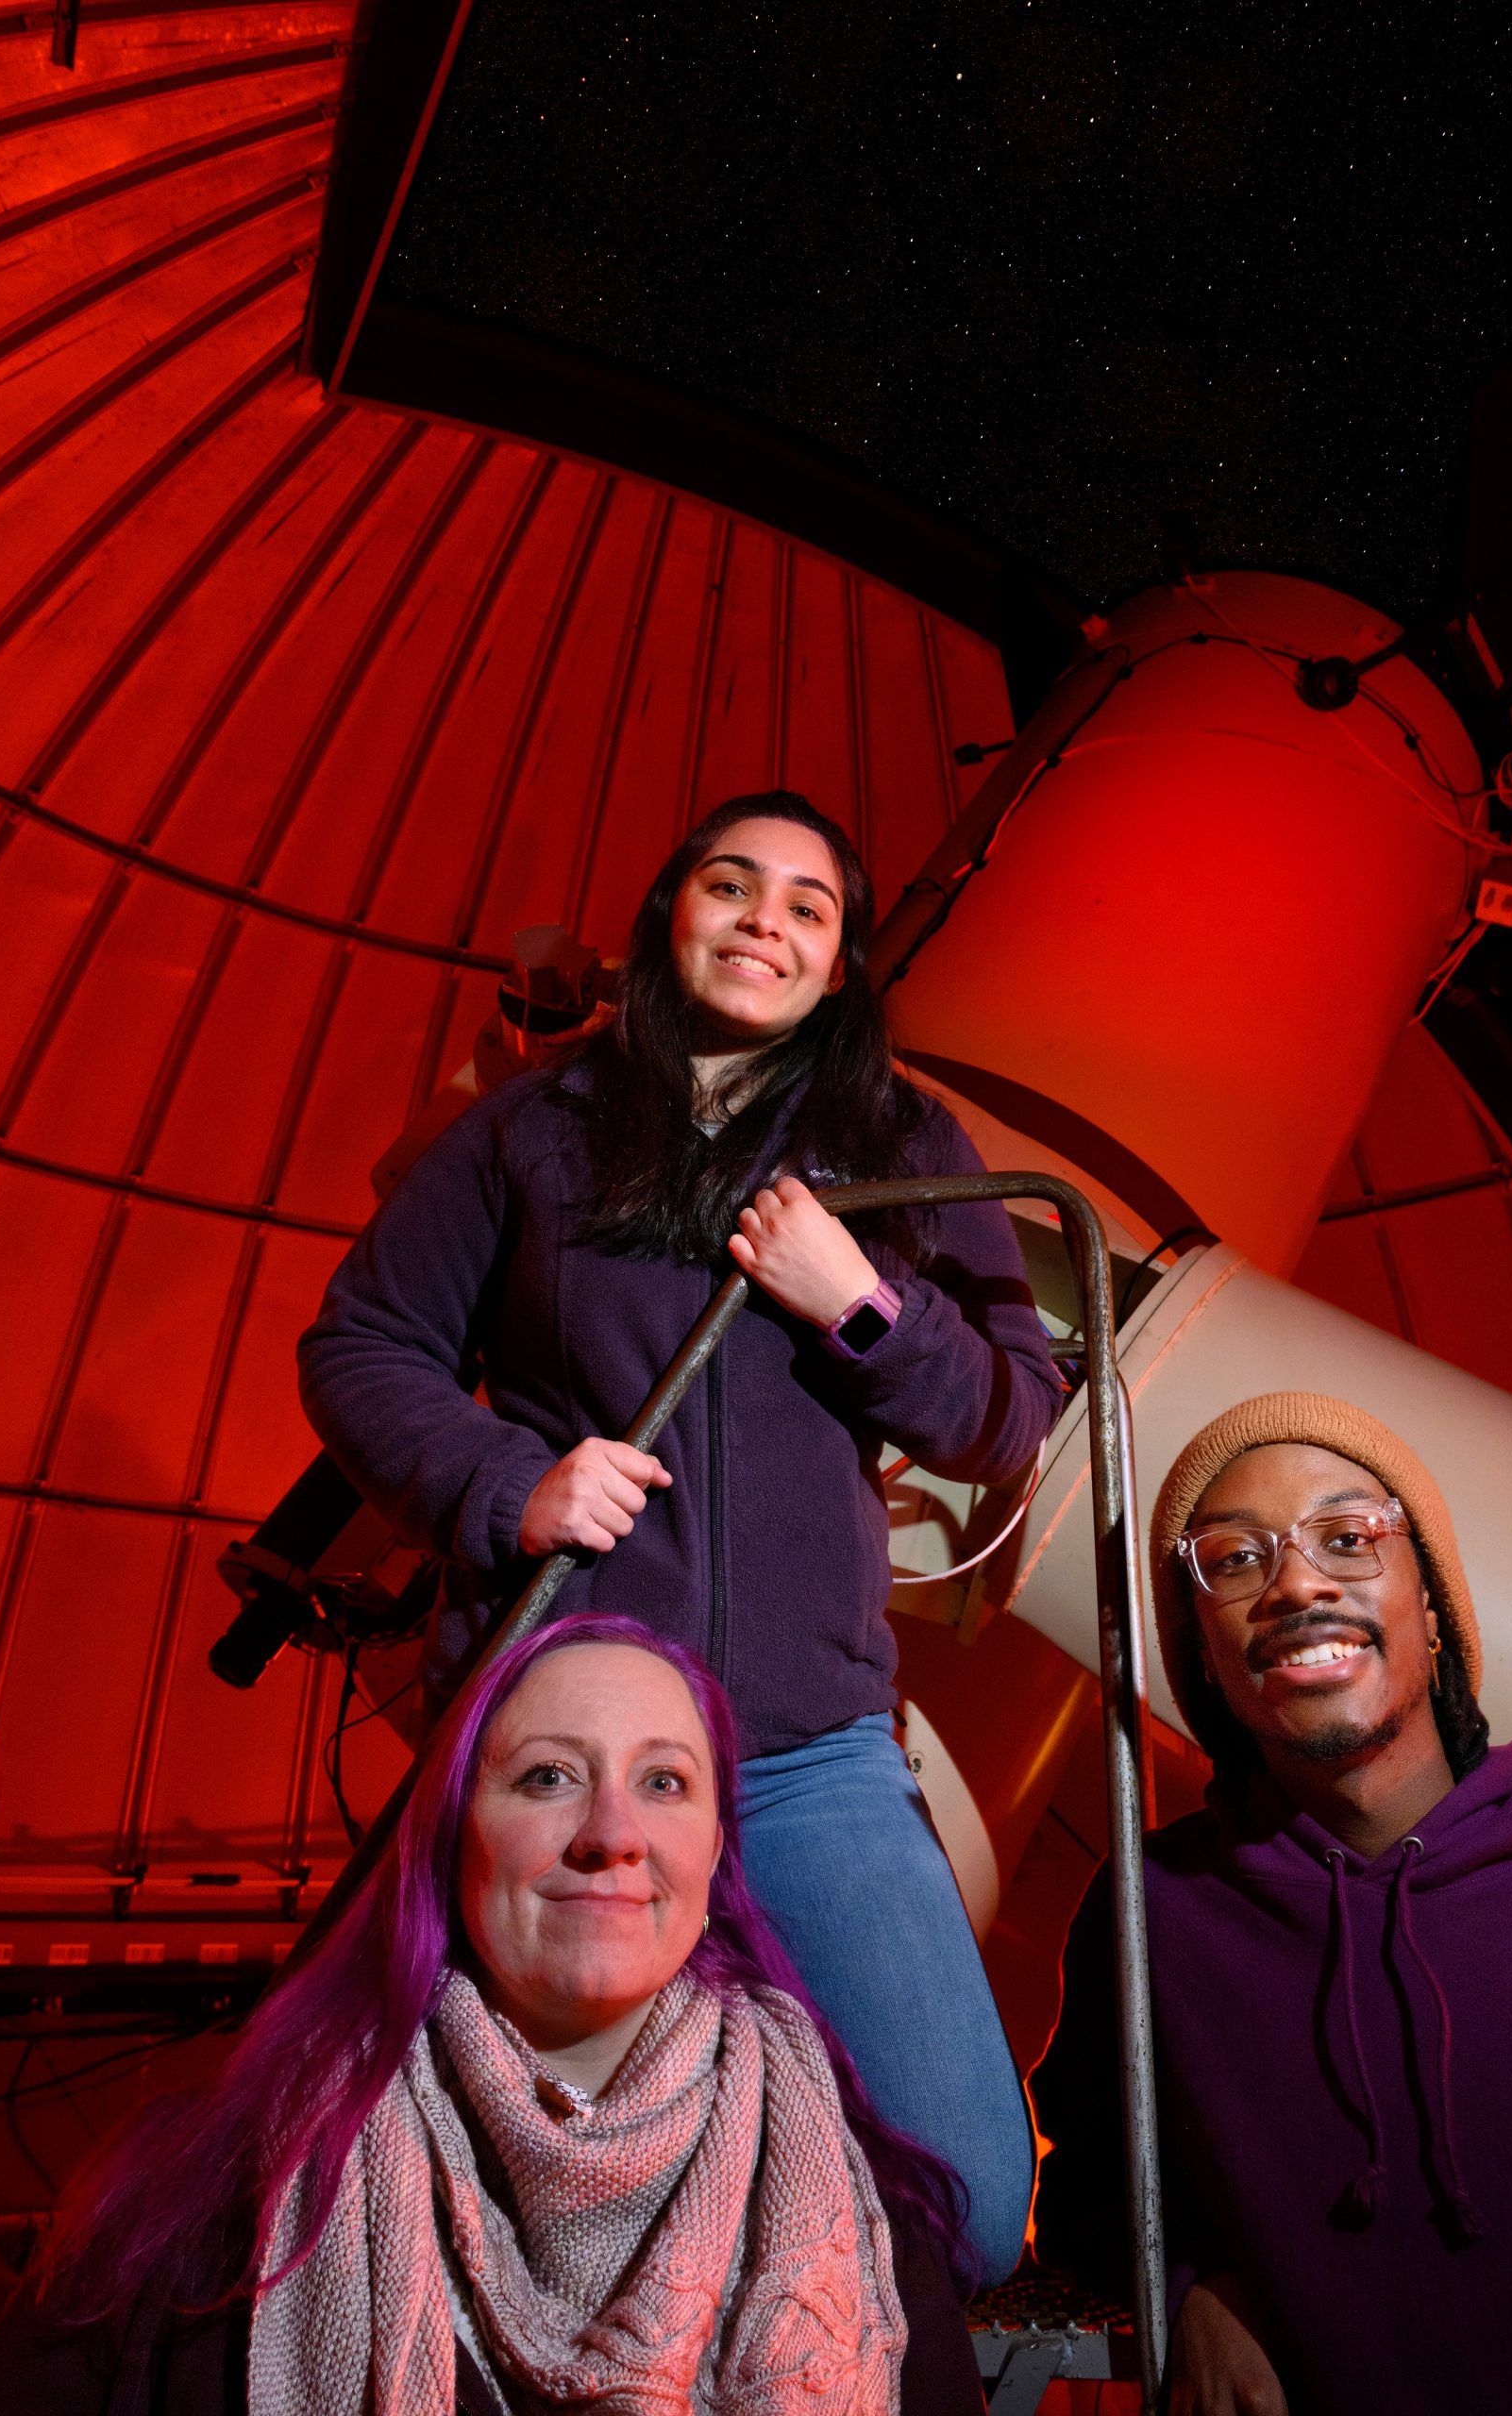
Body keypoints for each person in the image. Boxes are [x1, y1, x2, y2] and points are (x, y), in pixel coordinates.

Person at [294, 791, 1064, 2284]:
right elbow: (365, 1344)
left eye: (807, 904)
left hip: (808, 1752)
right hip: (563, 1742)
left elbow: (1011, 1415)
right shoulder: (533, 1129)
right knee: (498, 2210)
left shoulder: (903, 1137)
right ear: (673, 917)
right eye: (731, 884)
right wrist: (502, 1483)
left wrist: (857, 1299)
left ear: (840, 966)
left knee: (965, 2210)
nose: (763, 919)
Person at [0, 1614, 981, 2415]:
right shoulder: (201, 2205)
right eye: (549, 1776)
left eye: (664, 1781)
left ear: (717, 1852)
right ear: (454, 1835)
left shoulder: (868, 2217)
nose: (612, 1834)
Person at [1031, 1391, 1512, 2416]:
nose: (1296, 1582)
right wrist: (1189, 2289)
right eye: (1236, 1558)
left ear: (1430, 1606)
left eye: (1348, 1538)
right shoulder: (1154, 1920)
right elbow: (1092, 2201)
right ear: (1202, 1652)